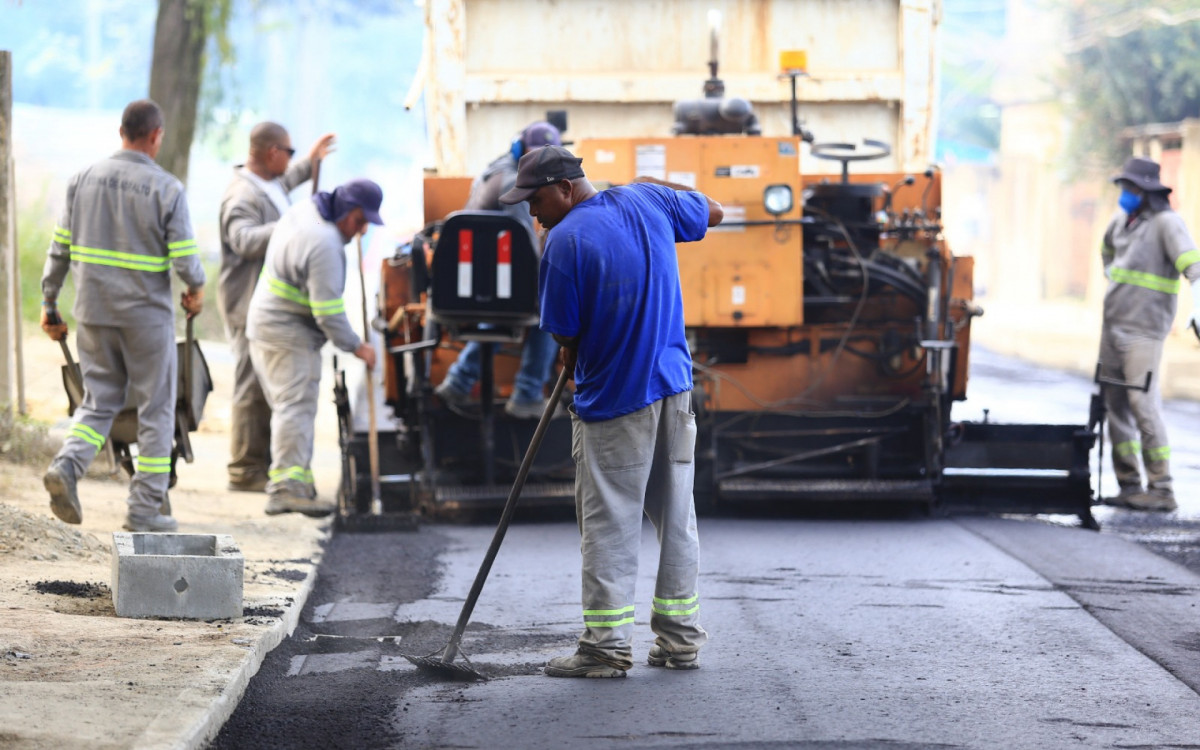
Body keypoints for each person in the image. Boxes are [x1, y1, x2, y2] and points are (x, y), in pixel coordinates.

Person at [499, 146, 723, 677]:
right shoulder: (650, 200)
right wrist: (650, 183)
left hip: (616, 401)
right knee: (677, 520)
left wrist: (569, 353)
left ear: (565, 188)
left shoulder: (564, 242)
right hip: (674, 391)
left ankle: (604, 649)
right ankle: (680, 641)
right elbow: (713, 211)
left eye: (536, 201)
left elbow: (565, 332)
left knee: (609, 525)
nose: (533, 214)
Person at [40, 99, 206, 533]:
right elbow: (187, 261)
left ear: (121, 131)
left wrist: (49, 303)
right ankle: (145, 509)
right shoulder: (166, 188)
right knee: (156, 408)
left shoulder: (81, 180)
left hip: (93, 314)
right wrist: (197, 289)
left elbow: (59, 249)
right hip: (145, 319)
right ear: (156, 136)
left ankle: (68, 467)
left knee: (99, 402)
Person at [246, 178, 381, 516]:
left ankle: (300, 485)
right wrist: (357, 346)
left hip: (269, 325)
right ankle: (286, 489)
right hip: (288, 334)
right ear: (349, 212)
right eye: (361, 221)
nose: (362, 231)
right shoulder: (325, 244)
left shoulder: (306, 210)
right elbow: (328, 311)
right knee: (295, 408)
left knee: (293, 408)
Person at [219, 122, 336, 493]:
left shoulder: (265, 185)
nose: (290, 157)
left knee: (266, 386)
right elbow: (242, 239)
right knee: (250, 388)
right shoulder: (241, 195)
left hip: (262, 303)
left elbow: (283, 184)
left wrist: (309, 162)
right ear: (271, 153)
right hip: (246, 303)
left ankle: (263, 465)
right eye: (288, 151)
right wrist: (294, 224)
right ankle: (245, 469)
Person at [434, 121, 563, 419]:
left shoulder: (489, 173)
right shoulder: (513, 183)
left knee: (501, 317)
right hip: (495, 287)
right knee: (550, 309)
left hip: (476, 285)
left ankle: (458, 381)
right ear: (520, 149)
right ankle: (528, 394)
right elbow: (525, 245)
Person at [1099, 156, 1200, 512]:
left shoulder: (1166, 223)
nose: (1125, 193)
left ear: (1146, 191)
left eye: (1131, 188)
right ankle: (1129, 484)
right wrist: (1114, 279)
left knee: (1143, 405)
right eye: (1124, 187)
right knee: (1115, 407)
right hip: (1112, 327)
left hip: (1144, 331)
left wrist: (1198, 304)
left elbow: (1193, 266)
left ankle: (1162, 489)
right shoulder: (1121, 220)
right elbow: (1106, 251)